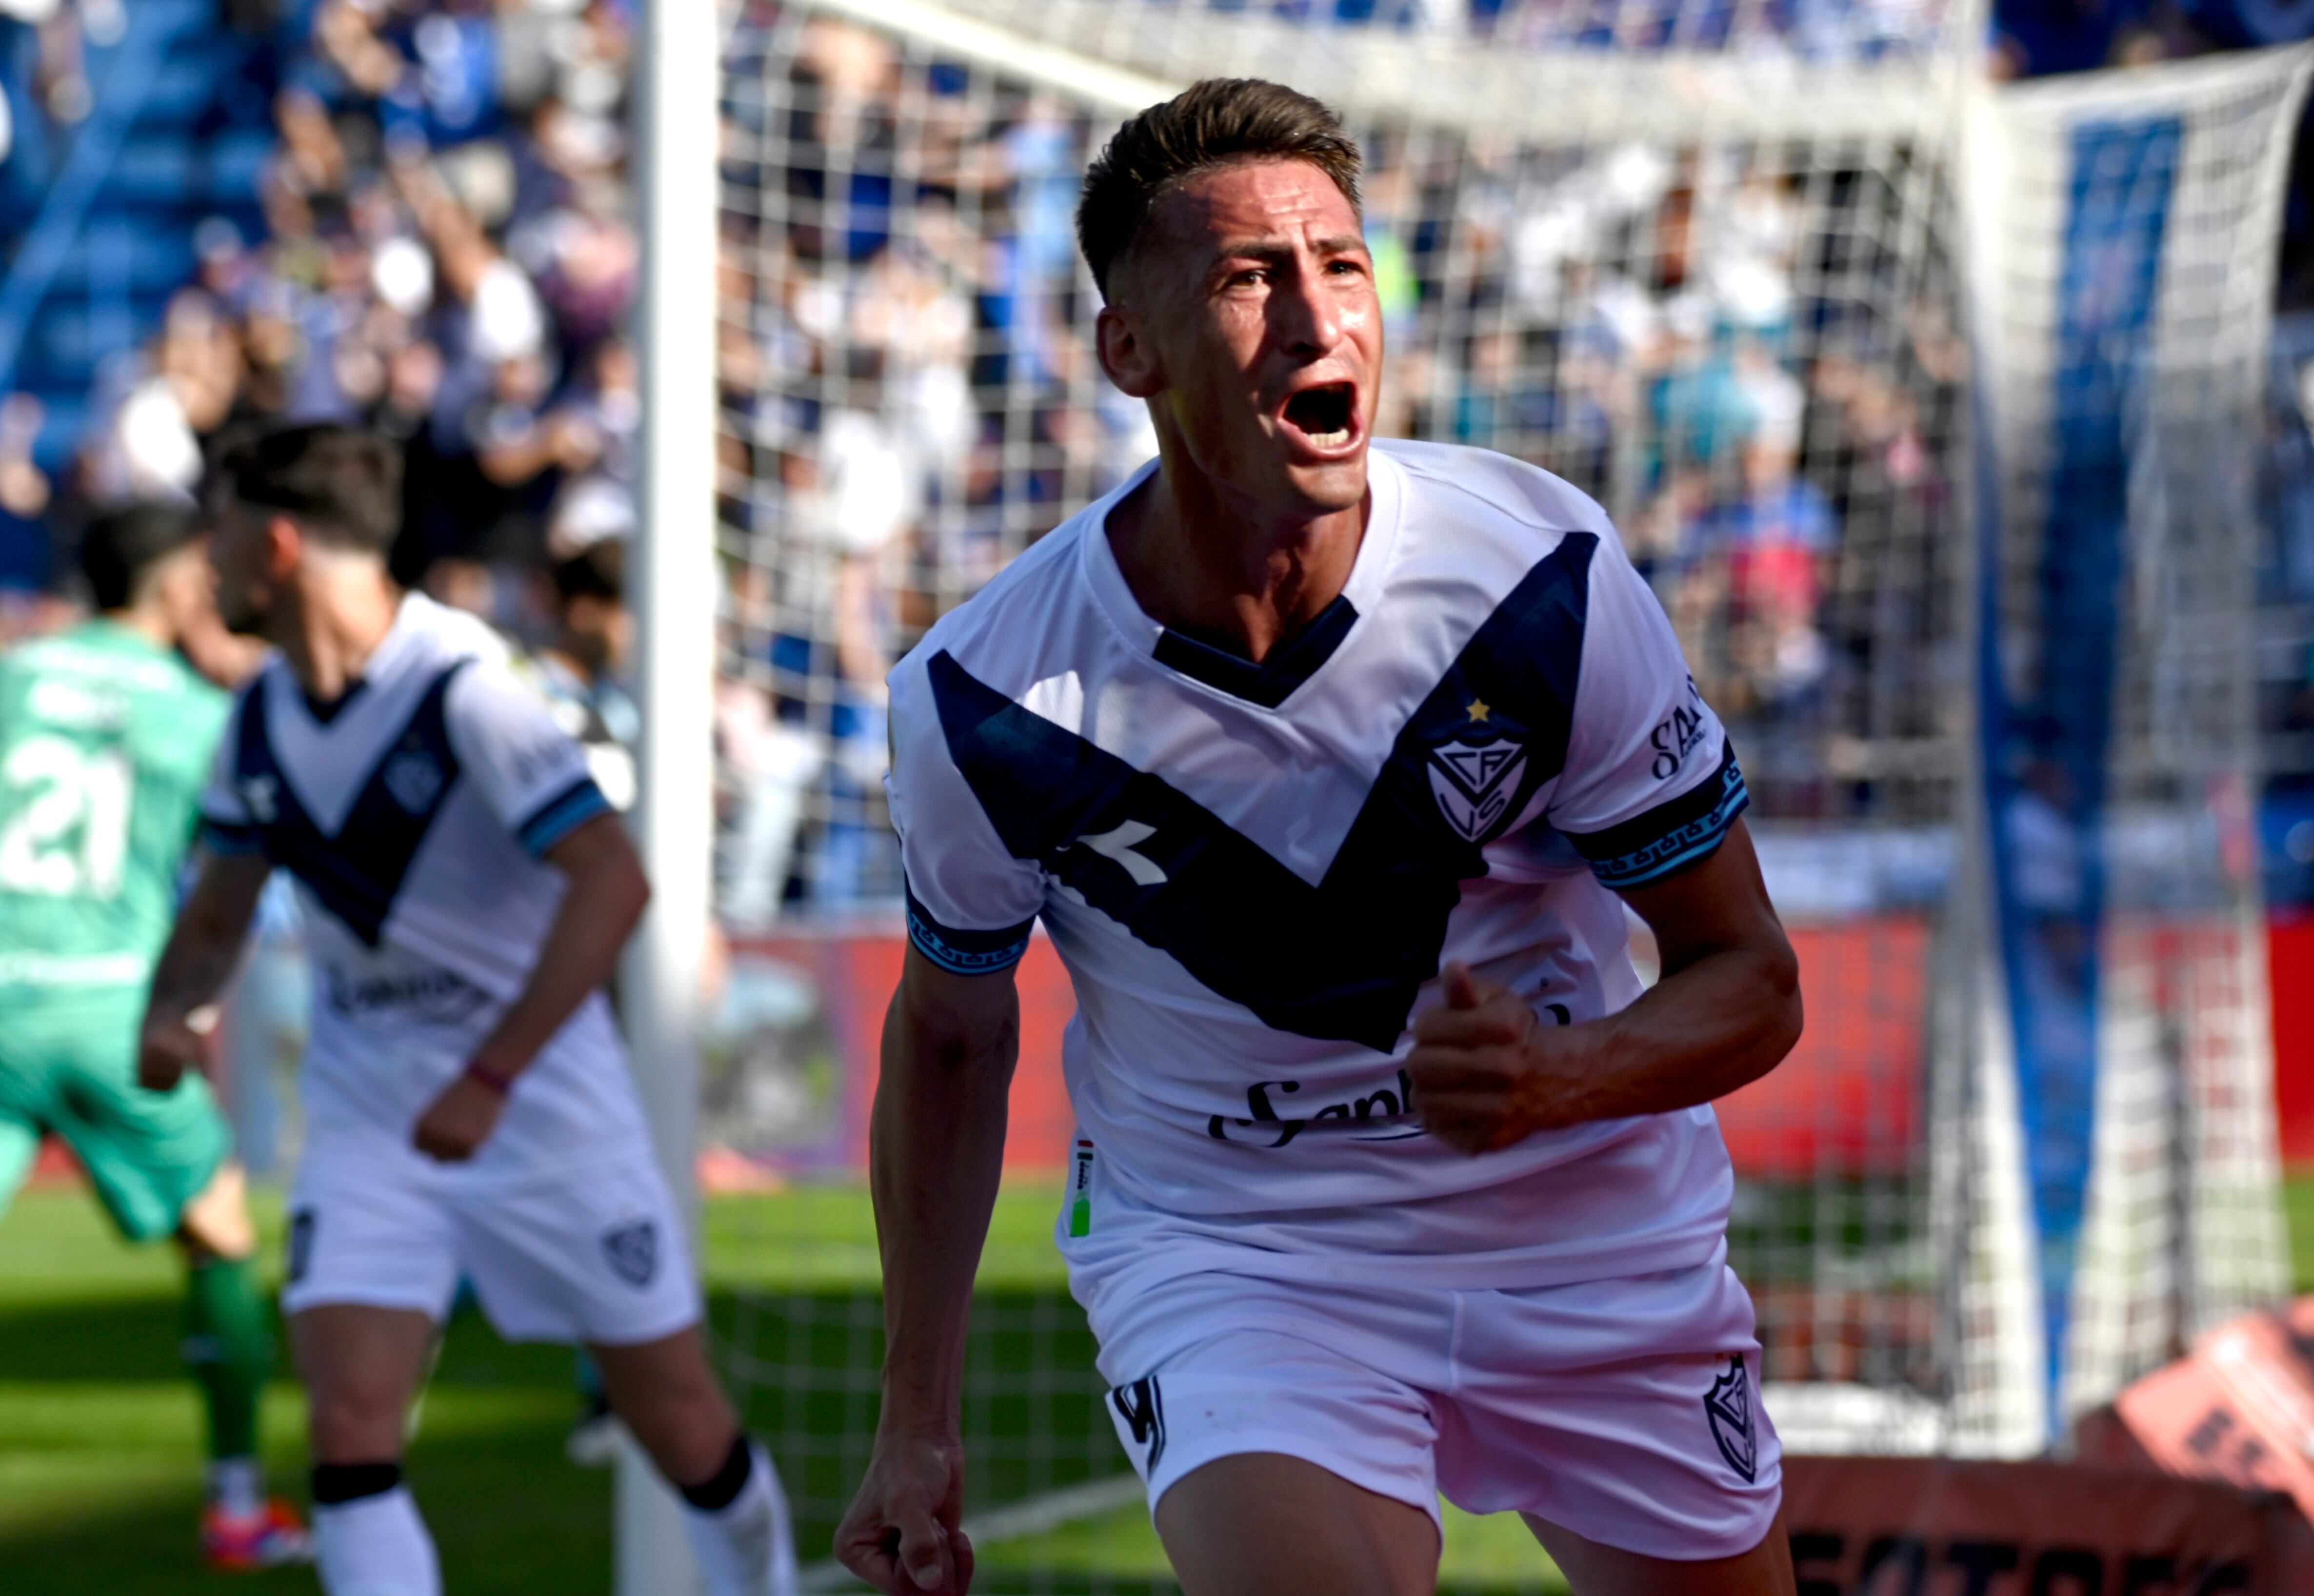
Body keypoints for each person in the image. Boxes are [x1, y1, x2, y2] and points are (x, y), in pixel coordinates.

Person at [837, 80, 1804, 1596]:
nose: (1316, 314)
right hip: (1241, 1255)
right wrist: (914, 1419)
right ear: (1128, 350)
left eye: (1341, 264)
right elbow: (951, 1042)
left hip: (1586, 1236)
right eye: (1247, 276)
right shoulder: (980, 697)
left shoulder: (1540, 575)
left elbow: (1751, 978)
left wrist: (1563, 1075)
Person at [137, 423, 798, 1596]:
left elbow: (615, 880)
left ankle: (765, 1578)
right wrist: (175, 1008)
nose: (206, 561)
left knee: (678, 1417)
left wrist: (489, 1075)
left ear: (279, 543)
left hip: (540, 1107)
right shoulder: (257, 717)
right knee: (349, 1425)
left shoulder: (468, 690)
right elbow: (219, 906)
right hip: (365, 1110)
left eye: (220, 530)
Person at [0, 500, 308, 1570]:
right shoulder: (192, 710)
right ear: (181, 583)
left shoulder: (12, 674)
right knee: (219, 1228)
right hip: (106, 1008)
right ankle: (234, 1507)